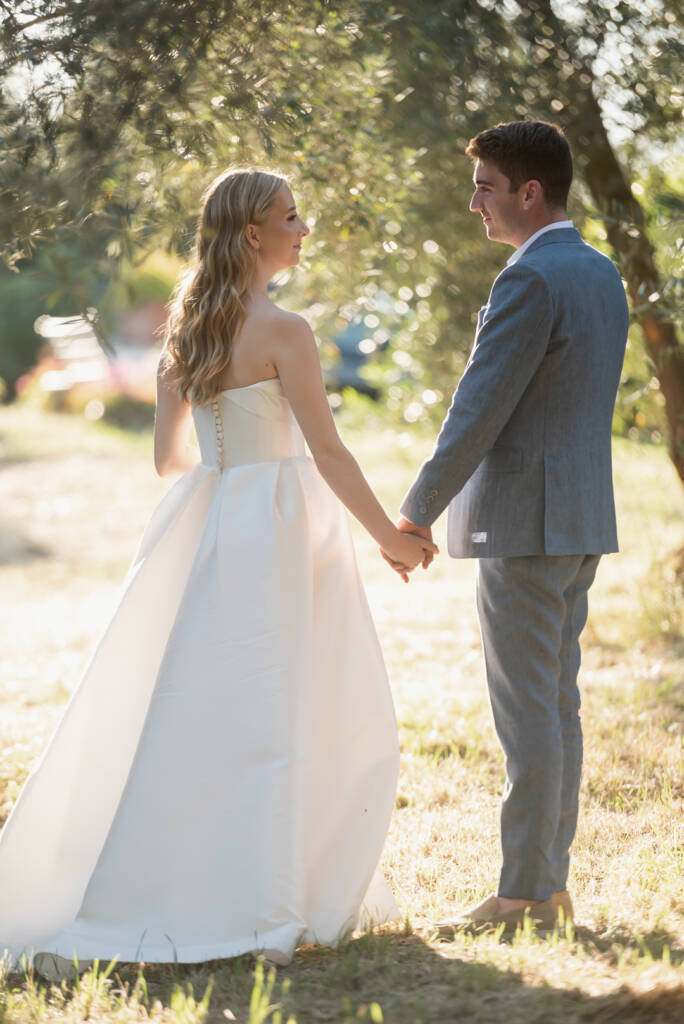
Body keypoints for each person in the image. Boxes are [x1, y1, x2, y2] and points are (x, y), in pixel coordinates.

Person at [0, 168, 436, 980]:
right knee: (287, 703)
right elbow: (328, 451)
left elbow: (169, 461)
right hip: (282, 528)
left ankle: (203, 889)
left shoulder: (189, 328)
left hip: (214, 522)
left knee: (208, 706)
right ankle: (269, 905)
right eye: (291, 217)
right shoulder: (285, 331)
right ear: (252, 234)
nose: (303, 229)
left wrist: (228, 465)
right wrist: (391, 539)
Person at [385, 121, 629, 934]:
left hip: (526, 526)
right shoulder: (601, 272)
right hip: (581, 518)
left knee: (529, 714)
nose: (475, 204)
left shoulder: (529, 278)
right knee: (556, 707)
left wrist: (416, 510)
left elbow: (478, 409)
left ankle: (524, 895)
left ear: (530, 191)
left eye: (485, 187)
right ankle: (547, 886)